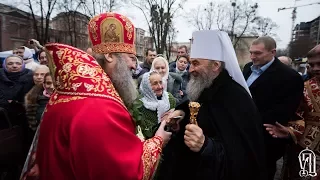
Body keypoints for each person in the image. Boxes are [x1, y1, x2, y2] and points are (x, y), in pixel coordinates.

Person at [34, 12, 172, 180]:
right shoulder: (101, 107)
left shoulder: (68, 93)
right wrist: (158, 141)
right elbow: (126, 173)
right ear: (109, 56)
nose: (133, 66)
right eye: (130, 58)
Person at [159, 30, 267, 180]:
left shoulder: (236, 97)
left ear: (215, 65)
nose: (190, 69)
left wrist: (206, 146)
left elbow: (244, 157)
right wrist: (180, 116)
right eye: (191, 62)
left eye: (196, 63)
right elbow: (197, 109)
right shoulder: (205, 86)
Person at [243, 36, 304, 180]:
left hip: (266, 140)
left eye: (257, 53)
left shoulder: (290, 77)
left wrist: (247, 118)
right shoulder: (247, 68)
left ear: (273, 52)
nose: (252, 57)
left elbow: (284, 110)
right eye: (251, 52)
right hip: (243, 134)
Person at [264, 44, 320, 180]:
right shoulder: (304, 88)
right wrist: (290, 131)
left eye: (319, 64)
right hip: (307, 150)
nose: (315, 69)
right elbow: (297, 116)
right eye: (312, 65)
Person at [135, 71, 176, 140]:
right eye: (155, 83)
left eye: (160, 82)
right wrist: (164, 122)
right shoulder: (140, 104)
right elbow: (146, 132)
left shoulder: (170, 98)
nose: (160, 86)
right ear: (147, 86)